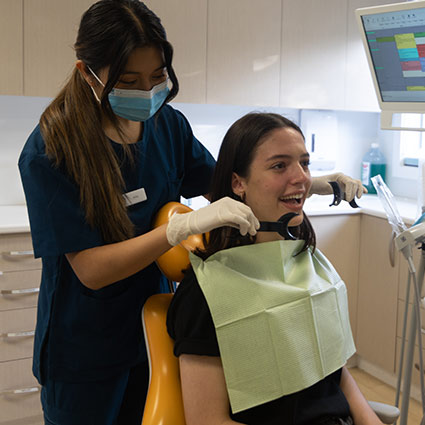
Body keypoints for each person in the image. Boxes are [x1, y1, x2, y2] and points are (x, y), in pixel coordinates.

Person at [18, 1, 365, 424]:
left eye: (158, 76)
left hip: (158, 322)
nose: (148, 91)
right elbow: (90, 269)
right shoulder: (50, 151)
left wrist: (306, 182)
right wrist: (179, 229)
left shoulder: (167, 126)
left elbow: (233, 185)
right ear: (87, 73)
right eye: (129, 81)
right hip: (86, 346)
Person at [167, 112, 382, 425]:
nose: (302, 178)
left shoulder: (308, 265)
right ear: (238, 183)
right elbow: (207, 420)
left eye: (304, 163)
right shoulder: (209, 292)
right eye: (280, 165)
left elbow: (333, 374)